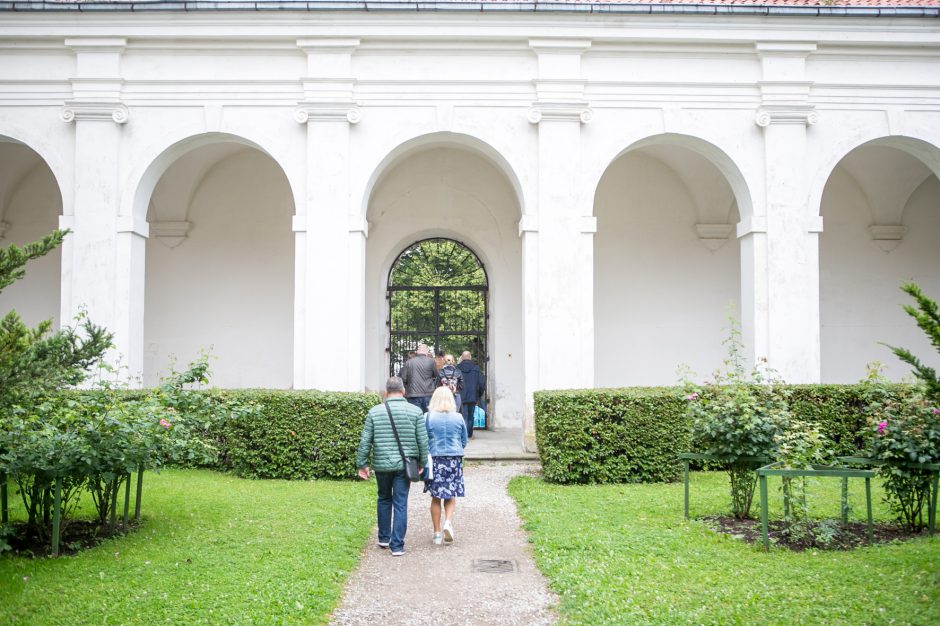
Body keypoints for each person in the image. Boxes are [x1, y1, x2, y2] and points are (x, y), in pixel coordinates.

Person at [356, 376, 429, 556]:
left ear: (386, 392)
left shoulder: (374, 412)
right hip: (405, 465)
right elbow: (422, 440)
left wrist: (362, 463)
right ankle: (397, 545)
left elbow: (366, 441)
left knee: (383, 498)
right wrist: (422, 462)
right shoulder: (415, 412)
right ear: (403, 391)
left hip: (381, 464)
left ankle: (383, 537)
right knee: (400, 502)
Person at [424, 386, 468, 545]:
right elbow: (464, 440)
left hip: (435, 460)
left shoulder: (427, 417)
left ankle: (436, 533)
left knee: (435, 497)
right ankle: (448, 522)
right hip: (453, 460)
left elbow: (423, 440)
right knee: (450, 494)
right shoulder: (458, 417)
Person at [398, 343, 438, 412]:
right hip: (428, 394)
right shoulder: (431, 362)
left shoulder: (409, 362)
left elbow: (403, 378)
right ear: (427, 351)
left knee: (414, 417)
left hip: (413, 395)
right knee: (427, 417)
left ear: (417, 351)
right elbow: (436, 375)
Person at [456, 350, 485, 437]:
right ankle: (469, 434)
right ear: (470, 357)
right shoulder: (476, 368)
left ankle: (464, 434)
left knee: (463, 415)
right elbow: (481, 383)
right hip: (473, 395)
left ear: (462, 357)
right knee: (471, 416)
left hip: (461, 395)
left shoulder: (457, 368)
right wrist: (479, 394)